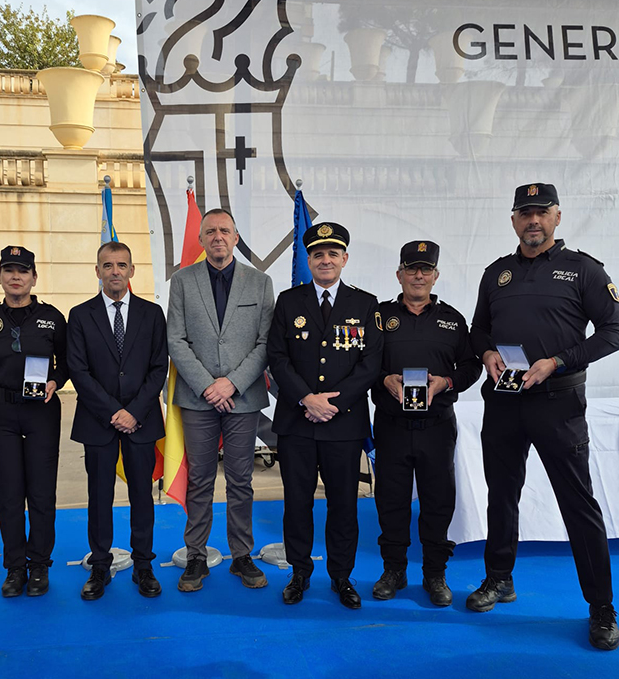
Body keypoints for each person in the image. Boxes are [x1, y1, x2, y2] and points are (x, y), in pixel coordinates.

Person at [468, 183, 619, 651]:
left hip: (558, 403)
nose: (533, 221)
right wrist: (488, 352)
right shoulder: (497, 274)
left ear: (557, 217)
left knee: (579, 505)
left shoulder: (584, 270)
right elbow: (478, 330)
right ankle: (499, 579)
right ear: (513, 220)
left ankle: (601, 609)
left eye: (541, 213)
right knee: (502, 494)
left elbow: (614, 328)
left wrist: (559, 360)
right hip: (504, 402)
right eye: (524, 213)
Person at [267, 222, 383, 608]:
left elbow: (371, 364)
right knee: (297, 502)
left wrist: (331, 403)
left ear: (344, 259)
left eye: (333, 253)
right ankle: (299, 572)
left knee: (343, 505)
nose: (325, 260)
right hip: (297, 423)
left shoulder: (365, 304)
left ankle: (341, 576)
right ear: (308, 260)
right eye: (318, 254)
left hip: (344, 423)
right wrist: (306, 398)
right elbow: (277, 358)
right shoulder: (288, 301)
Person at [167, 208, 274, 592]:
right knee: (199, 480)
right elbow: (175, 339)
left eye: (224, 230)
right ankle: (196, 555)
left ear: (236, 236)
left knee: (241, 480)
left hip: (243, 397)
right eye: (210, 231)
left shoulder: (260, 283)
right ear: (200, 238)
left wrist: (231, 383)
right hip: (197, 399)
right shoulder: (182, 281)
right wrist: (207, 385)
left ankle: (242, 555)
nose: (217, 237)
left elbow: (265, 343)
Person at [370, 241, 481, 606]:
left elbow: (471, 367)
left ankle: (435, 573)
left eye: (426, 270)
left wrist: (446, 383)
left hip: (436, 426)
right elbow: (362, 365)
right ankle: (394, 570)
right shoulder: (379, 316)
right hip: (391, 425)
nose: (419, 275)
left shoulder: (453, 320)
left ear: (435, 276)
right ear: (399, 274)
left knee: (437, 502)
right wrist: (382, 379)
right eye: (411, 268)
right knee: (391, 500)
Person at [68, 241, 168, 600]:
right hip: (99, 422)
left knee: (142, 495)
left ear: (132, 270)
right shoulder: (80, 315)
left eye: (121, 265)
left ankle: (144, 565)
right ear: (97, 271)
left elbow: (159, 368)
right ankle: (100, 565)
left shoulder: (152, 314)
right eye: (107, 265)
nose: (114, 271)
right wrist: (113, 412)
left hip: (140, 421)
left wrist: (134, 411)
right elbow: (78, 370)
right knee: (99, 496)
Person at [0, 246, 68, 598]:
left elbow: (68, 361)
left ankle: (39, 564)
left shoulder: (52, 317)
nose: (16, 277)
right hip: (2, 412)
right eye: (9, 271)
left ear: (33, 278)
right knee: (9, 493)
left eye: (23, 271)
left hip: (41, 411)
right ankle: (15, 567)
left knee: (41, 492)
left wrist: (56, 379)